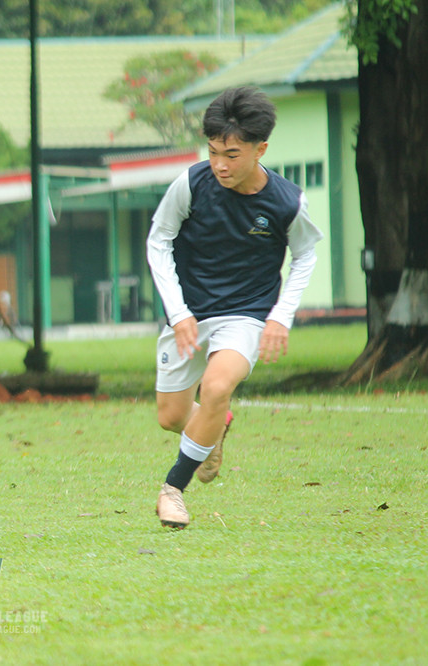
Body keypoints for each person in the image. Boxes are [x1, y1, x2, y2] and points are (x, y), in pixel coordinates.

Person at [146, 86, 324, 529]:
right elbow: (159, 240)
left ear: (261, 149)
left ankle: (172, 491)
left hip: (246, 315)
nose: (220, 164)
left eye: (232, 153)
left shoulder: (286, 202)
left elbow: (305, 255)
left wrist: (280, 317)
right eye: (212, 152)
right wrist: (179, 311)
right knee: (171, 416)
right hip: (188, 314)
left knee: (217, 386)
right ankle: (214, 425)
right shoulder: (191, 184)